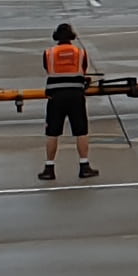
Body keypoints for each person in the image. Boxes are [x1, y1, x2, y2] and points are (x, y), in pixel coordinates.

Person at [39, 22, 96, 181]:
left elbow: (48, 69)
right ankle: (84, 166)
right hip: (76, 96)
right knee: (81, 131)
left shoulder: (49, 53)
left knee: (52, 133)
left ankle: (49, 168)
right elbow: (83, 71)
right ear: (71, 36)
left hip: (56, 97)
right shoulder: (80, 52)